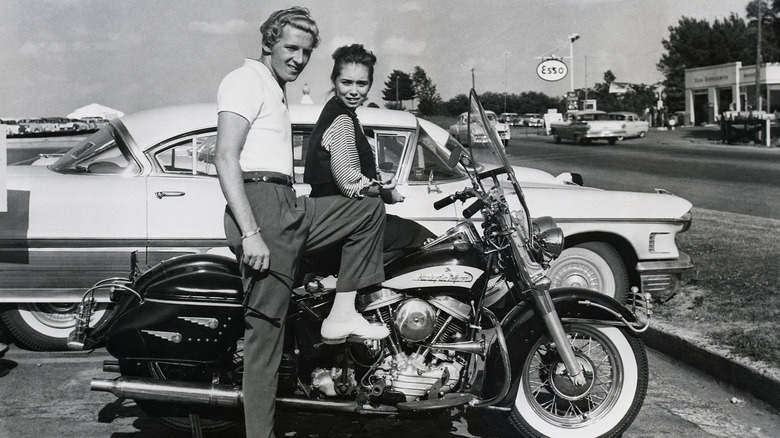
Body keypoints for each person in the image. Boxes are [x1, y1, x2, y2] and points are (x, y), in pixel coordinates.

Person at [214, 8, 387, 438]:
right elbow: (225, 156)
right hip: (263, 210)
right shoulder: (244, 80)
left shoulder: (273, 86)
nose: (298, 59)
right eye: (290, 47)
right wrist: (251, 232)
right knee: (266, 335)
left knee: (368, 209)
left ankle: (343, 312)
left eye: (306, 52)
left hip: (285, 203)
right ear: (268, 41)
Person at [303, 44, 435, 289]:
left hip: (335, 218)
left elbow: (348, 167)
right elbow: (348, 181)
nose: (354, 91)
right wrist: (383, 190)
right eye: (346, 83)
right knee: (422, 239)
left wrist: (378, 180)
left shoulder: (341, 113)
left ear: (370, 85)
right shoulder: (342, 119)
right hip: (344, 221)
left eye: (361, 84)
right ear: (334, 80)